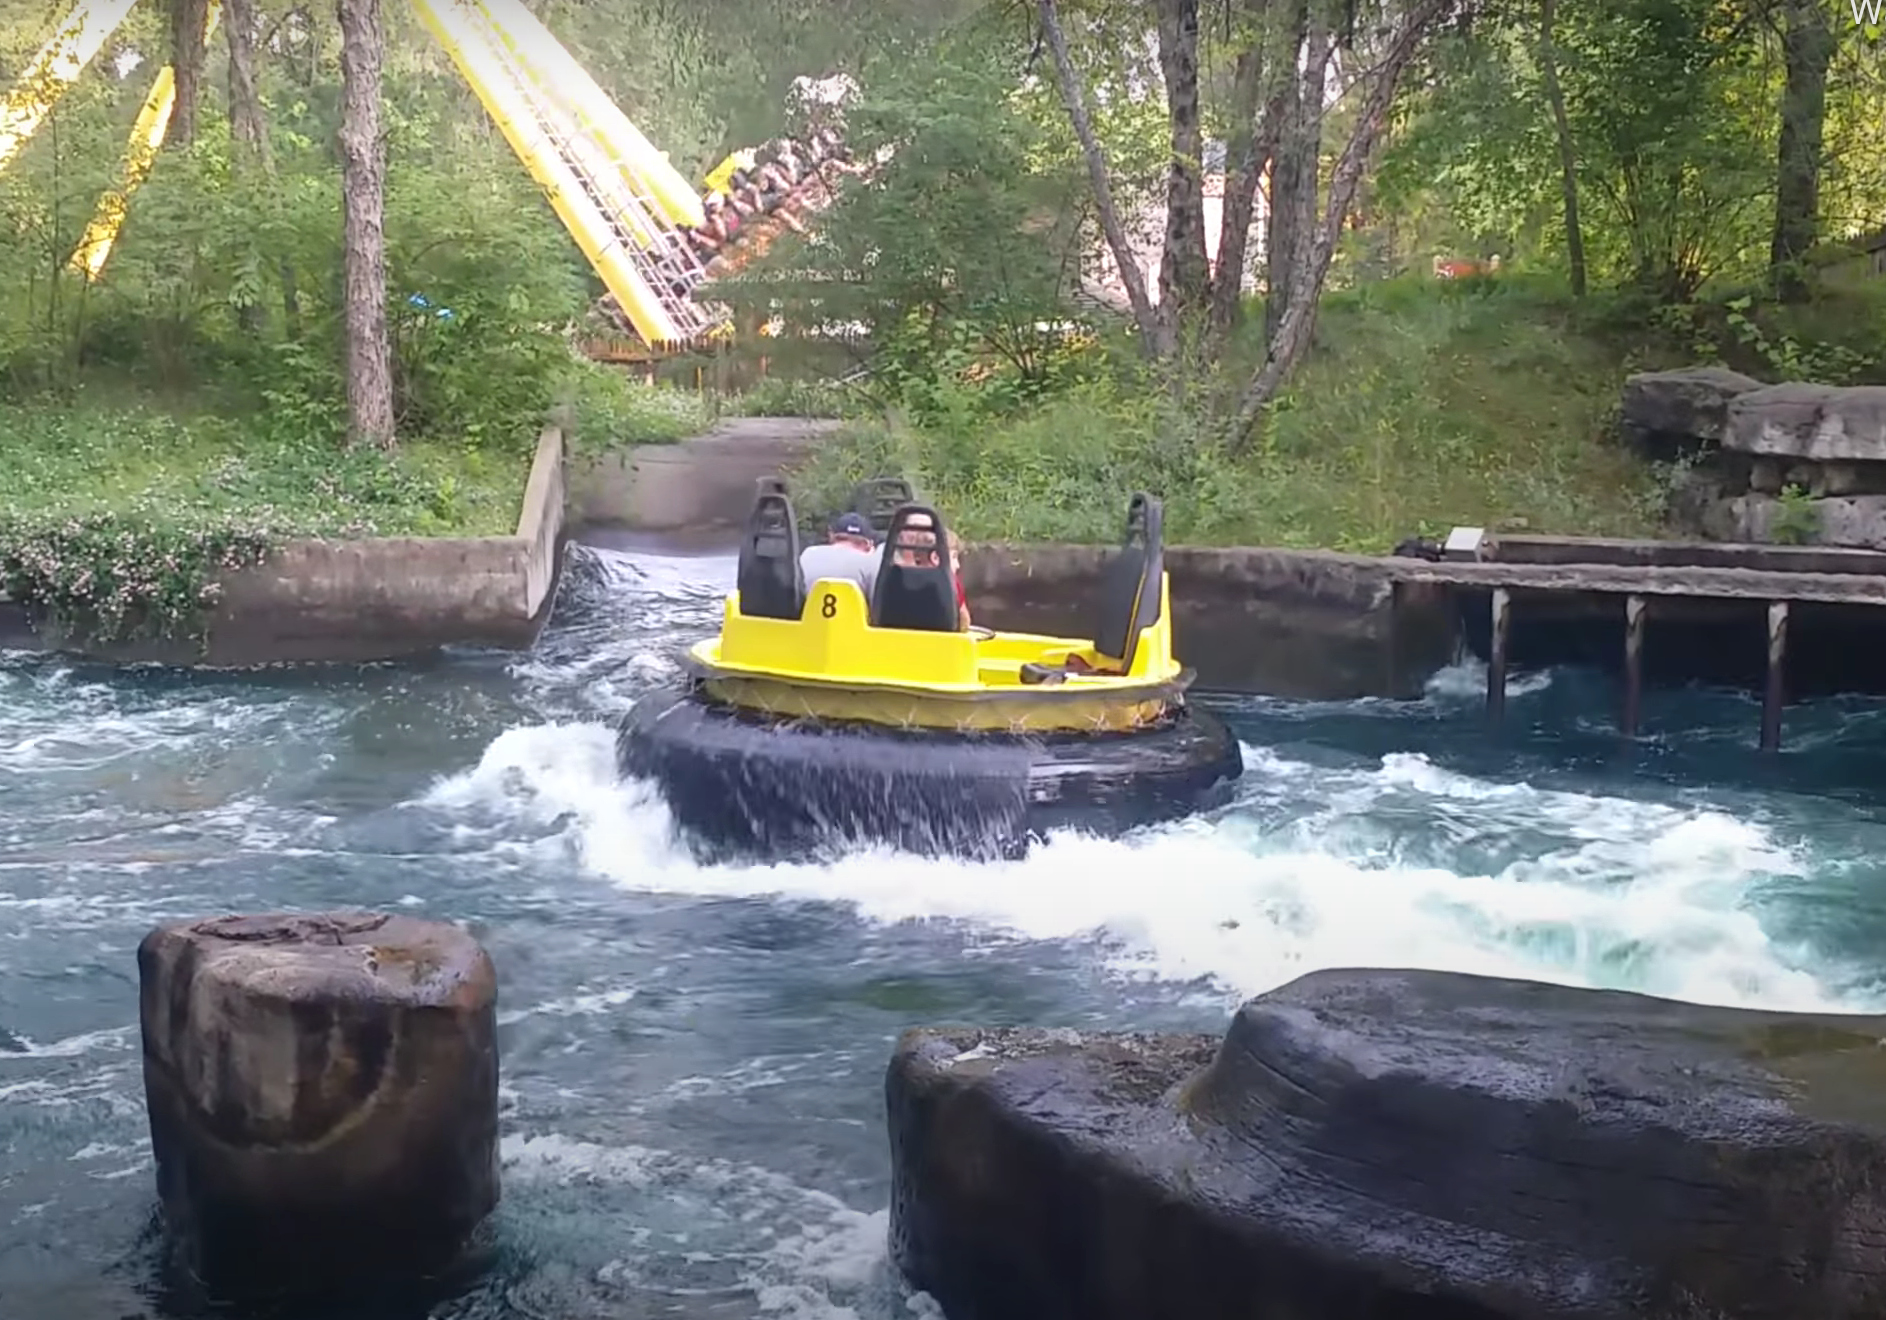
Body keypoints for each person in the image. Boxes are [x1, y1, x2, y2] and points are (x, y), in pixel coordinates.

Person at [799, 512, 879, 605]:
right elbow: (878, 606)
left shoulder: (808, 553)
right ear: (867, 544)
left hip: (809, 617)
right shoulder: (870, 562)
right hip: (852, 618)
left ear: (832, 536)